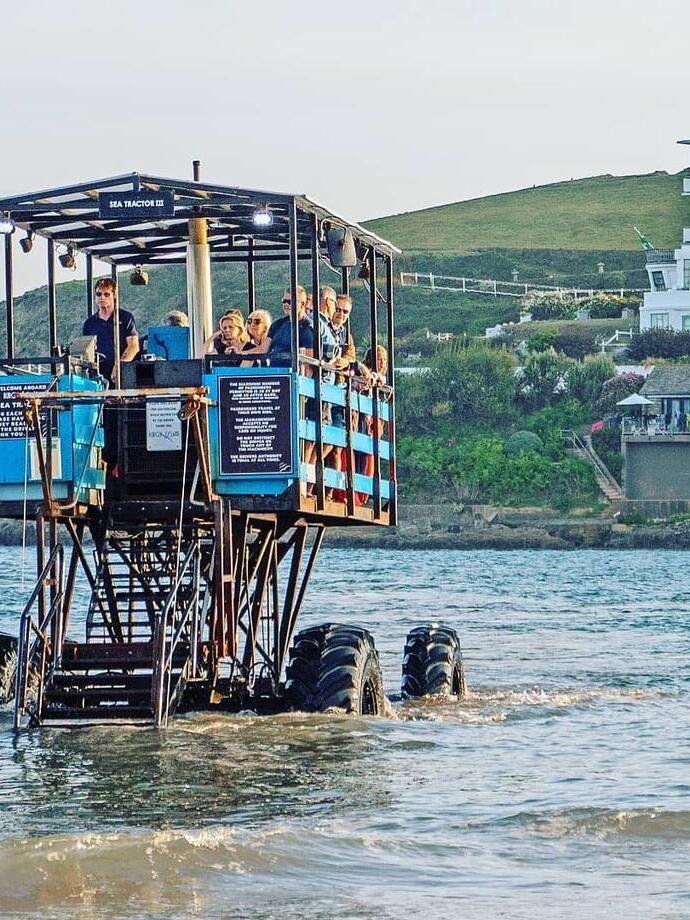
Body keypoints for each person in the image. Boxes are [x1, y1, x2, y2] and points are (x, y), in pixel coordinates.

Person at [83, 277, 139, 383]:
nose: (102, 298)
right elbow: (85, 352)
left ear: (114, 296)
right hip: (97, 377)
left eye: (106, 294)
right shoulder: (89, 323)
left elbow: (133, 346)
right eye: (99, 294)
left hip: (123, 376)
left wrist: (118, 366)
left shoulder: (125, 317)